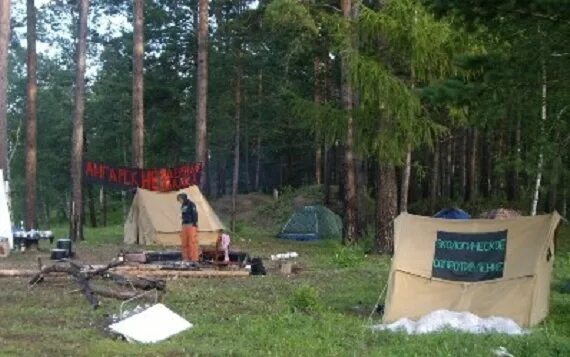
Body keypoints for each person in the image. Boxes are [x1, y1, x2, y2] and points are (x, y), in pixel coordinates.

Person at [176, 192, 199, 262]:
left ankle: (194, 258)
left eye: (180, 199)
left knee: (192, 242)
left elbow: (195, 214)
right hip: (184, 225)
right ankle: (185, 258)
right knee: (184, 243)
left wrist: (194, 223)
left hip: (191, 225)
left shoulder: (191, 204)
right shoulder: (183, 206)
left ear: (183, 198)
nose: (179, 201)